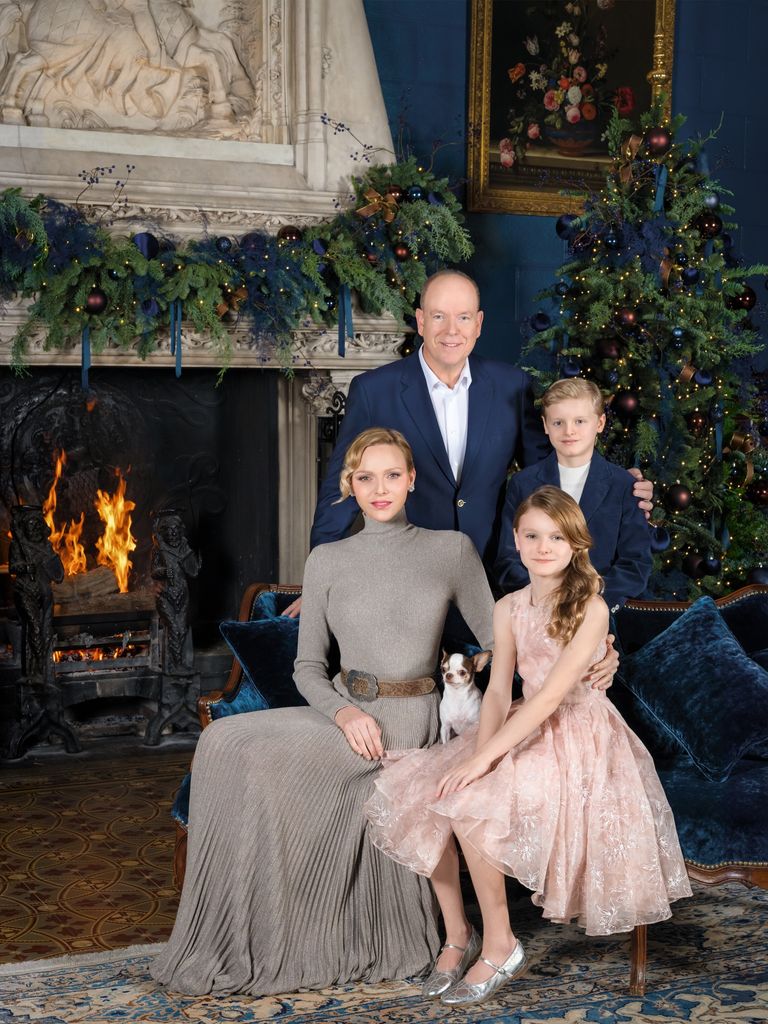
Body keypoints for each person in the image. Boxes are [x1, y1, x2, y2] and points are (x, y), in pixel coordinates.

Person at [150, 427, 496, 995]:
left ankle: (416, 933)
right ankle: (249, 931)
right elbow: (307, 668)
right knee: (224, 741)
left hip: (411, 721)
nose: (379, 488)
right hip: (345, 715)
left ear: (412, 480)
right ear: (350, 486)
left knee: (250, 752)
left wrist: (582, 649)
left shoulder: (449, 550)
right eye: (365, 478)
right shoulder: (328, 559)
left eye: (391, 475)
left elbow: (497, 641)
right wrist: (345, 714)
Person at [364, 486, 692, 1007]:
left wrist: (484, 760)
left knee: (471, 802)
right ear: (516, 540)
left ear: (575, 543)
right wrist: (479, 747)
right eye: (533, 536)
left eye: (556, 537)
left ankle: (502, 943)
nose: (543, 546)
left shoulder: (591, 607)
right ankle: (457, 934)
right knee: (427, 790)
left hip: (579, 733)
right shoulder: (509, 607)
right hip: (522, 721)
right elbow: (499, 690)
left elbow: (551, 700)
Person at [287, 271, 651, 687]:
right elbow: (343, 484)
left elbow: (546, 479)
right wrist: (319, 578)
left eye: (462, 318)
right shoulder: (375, 390)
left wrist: (619, 483)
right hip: (411, 577)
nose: (451, 330)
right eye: (439, 317)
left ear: (478, 324)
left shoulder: (512, 386)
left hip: (491, 576)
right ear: (420, 321)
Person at [495, 378, 652, 612]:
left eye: (580, 421)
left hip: (598, 613)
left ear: (599, 423)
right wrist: (544, 600)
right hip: (536, 610)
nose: (569, 431)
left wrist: (586, 603)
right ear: (545, 425)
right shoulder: (522, 484)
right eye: (558, 422)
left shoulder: (625, 485)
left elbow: (635, 564)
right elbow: (508, 559)